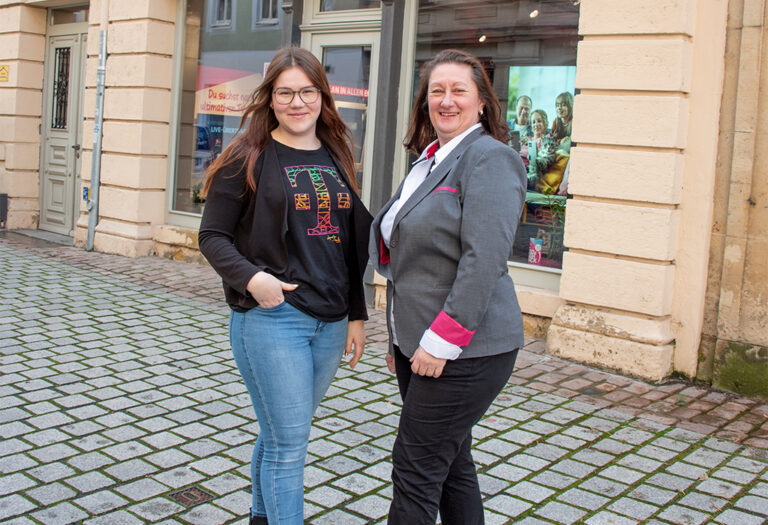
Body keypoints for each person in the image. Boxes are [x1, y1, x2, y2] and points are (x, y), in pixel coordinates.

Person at [198, 46, 372, 525]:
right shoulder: (246, 155)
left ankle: (261, 516)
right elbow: (211, 236)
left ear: (322, 96)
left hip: (331, 322)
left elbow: (347, 243)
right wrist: (254, 280)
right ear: (270, 99)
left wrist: (356, 315)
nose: (298, 102)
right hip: (274, 320)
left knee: (279, 435)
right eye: (285, 92)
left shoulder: (337, 152)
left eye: (307, 91)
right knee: (290, 445)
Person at [369, 49, 526, 525]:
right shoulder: (430, 160)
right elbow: (406, 246)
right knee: (452, 465)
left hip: (463, 350)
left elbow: (483, 262)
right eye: (437, 90)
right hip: (416, 343)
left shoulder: (491, 160)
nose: (447, 100)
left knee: (414, 471)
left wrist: (438, 343)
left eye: (460, 90)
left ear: (482, 103)